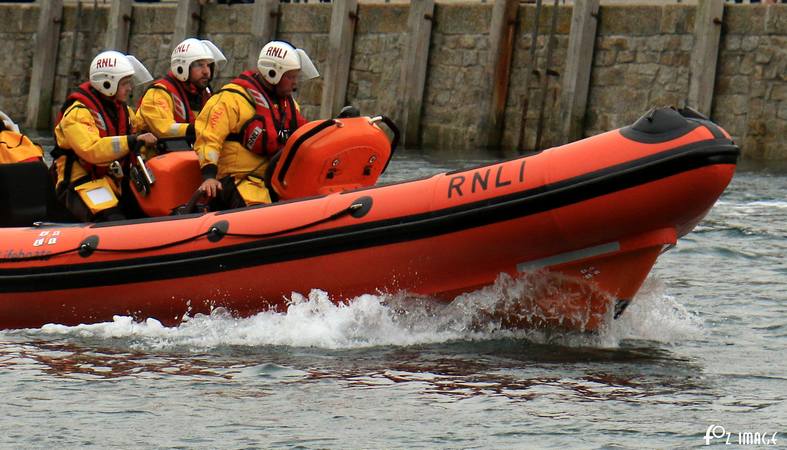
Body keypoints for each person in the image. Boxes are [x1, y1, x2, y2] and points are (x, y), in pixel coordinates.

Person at [194, 40, 319, 208]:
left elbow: (303, 135)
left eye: (296, 76)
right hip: (239, 180)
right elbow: (208, 137)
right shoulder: (231, 99)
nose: (295, 82)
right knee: (262, 215)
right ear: (273, 73)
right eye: (290, 77)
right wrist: (209, 176)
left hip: (277, 179)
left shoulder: (288, 105)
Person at [52, 50, 158, 222]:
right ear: (107, 83)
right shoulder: (77, 113)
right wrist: (132, 141)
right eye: (124, 83)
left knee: (145, 211)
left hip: (111, 180)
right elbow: (92, 150)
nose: (129, 88)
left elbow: (140, 128)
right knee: (112, 218)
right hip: (81, 182)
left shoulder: (123, 110)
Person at [137, 38, 226, 147]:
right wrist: (198, 129)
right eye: (199, 65)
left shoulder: (205, 94)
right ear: (181, 67)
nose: (206, 72)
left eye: (208, 65)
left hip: (188, 155)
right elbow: (164, 129)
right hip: (158, 158)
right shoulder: (158, 93)